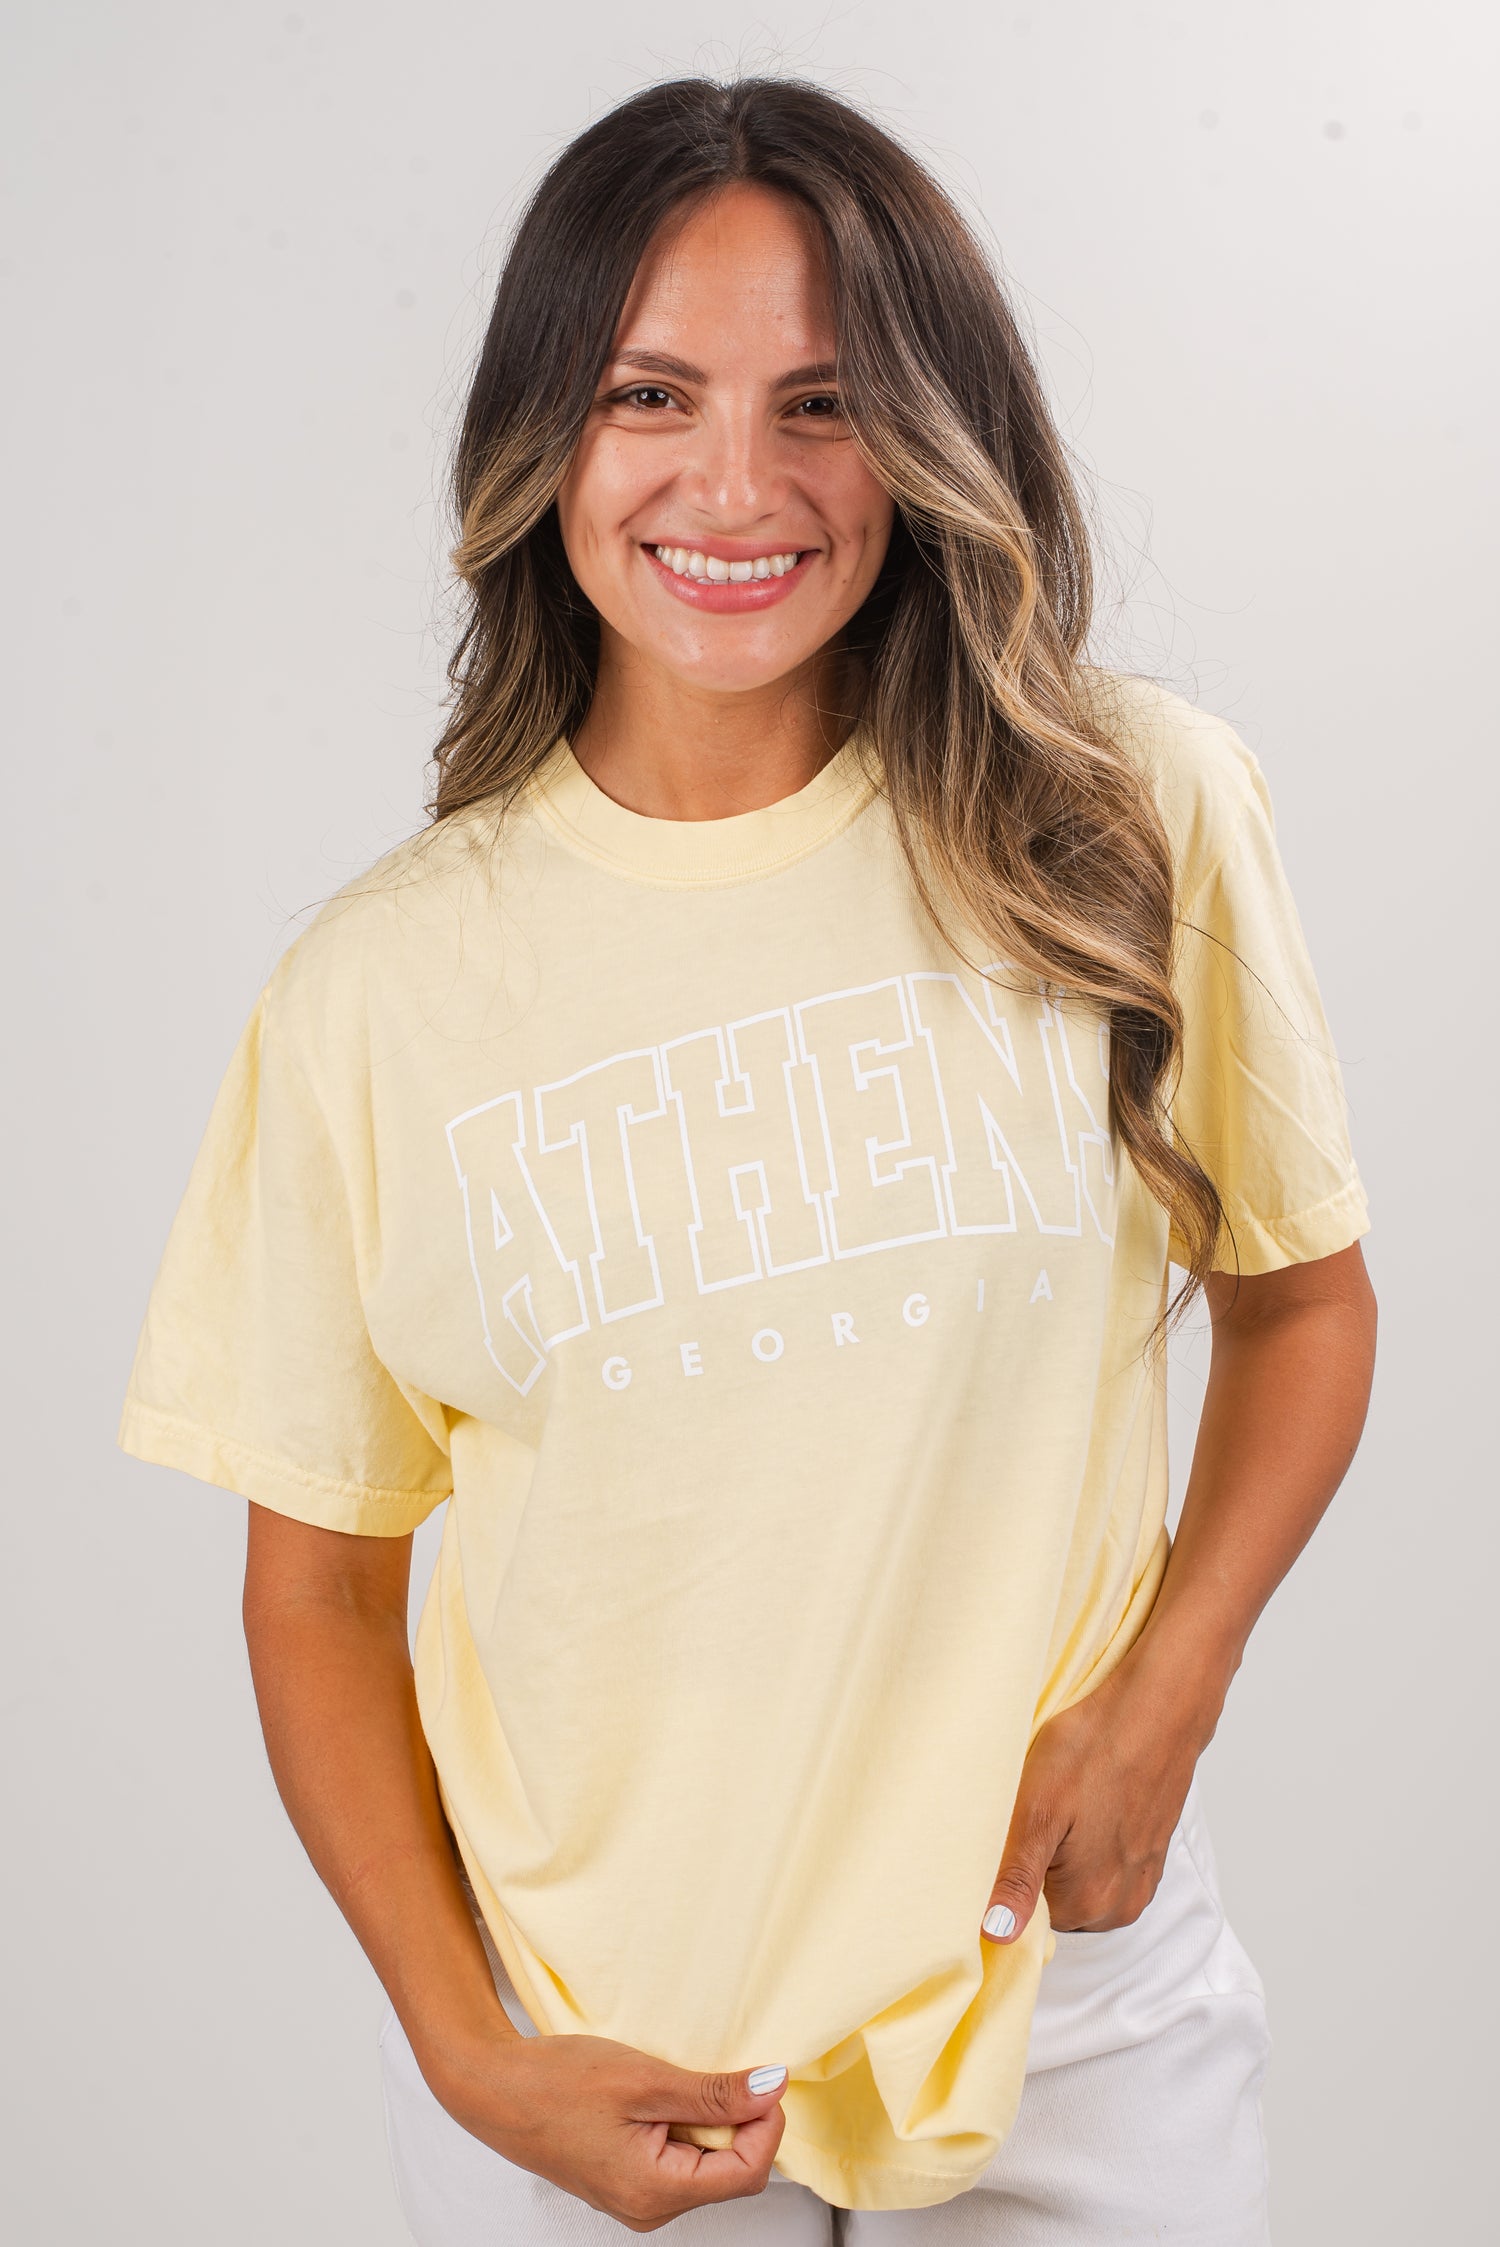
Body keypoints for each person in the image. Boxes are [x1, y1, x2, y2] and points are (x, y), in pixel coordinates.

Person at [117, 72, 1377, 2247]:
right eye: (650, 395)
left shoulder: (1119, 820)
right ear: (545, 437)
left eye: (824, 402)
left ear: (929, 432)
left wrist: (1169, 1692)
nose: (737, 484)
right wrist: (466, 2049)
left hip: (1061, 2007)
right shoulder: (377, 991)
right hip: (589, 2047)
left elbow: (1304, 1306)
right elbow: (316, 1587)